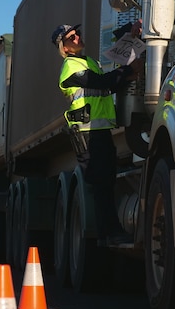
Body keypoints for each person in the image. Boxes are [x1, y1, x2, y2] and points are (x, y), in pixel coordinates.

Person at [51, 23, 143, 246]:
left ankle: (110, 232)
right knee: (102, 186)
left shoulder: (88, 62)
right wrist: (130, 70)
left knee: (107, 183)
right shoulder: (71, 67)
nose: (77, 37)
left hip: (100, 131)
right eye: (71, 37)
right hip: (88, 135)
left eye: (77, 33)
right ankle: (109, 233)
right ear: (63, 47)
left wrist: (130, 42)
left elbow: (110, 84)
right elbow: (103, 82)